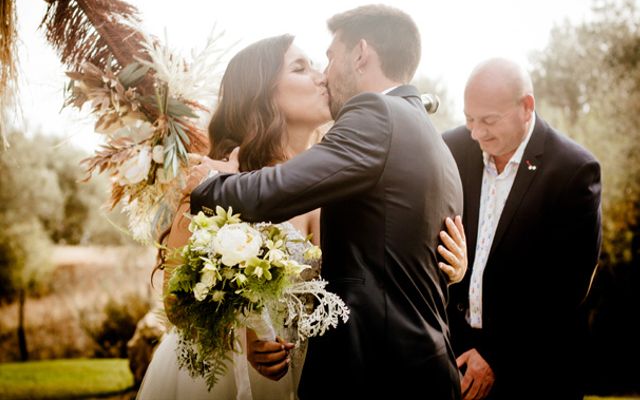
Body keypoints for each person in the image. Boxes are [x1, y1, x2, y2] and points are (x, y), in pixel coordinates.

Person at [137, 32, 467, 400]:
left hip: (323, 375)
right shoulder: (216, 180)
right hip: (227, 381)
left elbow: (379, 267)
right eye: (300, 67)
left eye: (316, 64)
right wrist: (241, 335)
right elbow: (177, 306)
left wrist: (448, 268)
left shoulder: (346, 178)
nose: (321, 76)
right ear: (262, 91)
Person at [443, 58, 602, 400]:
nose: (476, 133)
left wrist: (496, 356)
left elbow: (567, 287)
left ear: (526, 107)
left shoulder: (574, 170)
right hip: (455, 360)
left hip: (535, 371)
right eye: (470, 119)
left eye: (488, 121)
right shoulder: (451, 148)